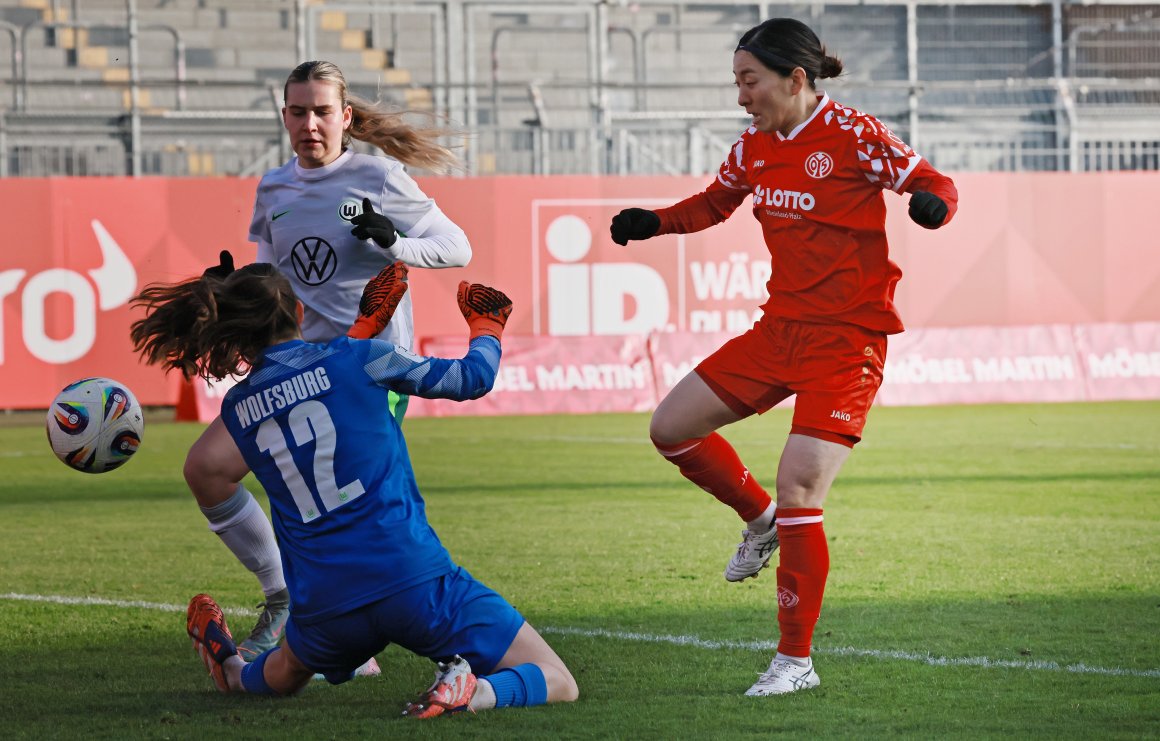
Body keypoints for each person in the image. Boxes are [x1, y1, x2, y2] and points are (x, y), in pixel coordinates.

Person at [609, 18, 958, 696]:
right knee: (670, 427)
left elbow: (936, 181)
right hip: (779, 331)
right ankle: (758, 518)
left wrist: (931, 205)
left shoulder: (856, 134)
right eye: (737, 81)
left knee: (801, 484)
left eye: (750, 81)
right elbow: (717, 202)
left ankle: (795, 660)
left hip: (847, 338)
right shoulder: (755, 145)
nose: (741, 96)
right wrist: (657, 221)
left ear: (794, 80)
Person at [129, 260, 579, 717]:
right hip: (413, 581)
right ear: (300, 313)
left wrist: (361, 330)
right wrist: (489, 324)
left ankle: (229, 665)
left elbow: (293, 395)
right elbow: (471, 379)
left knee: (278, 674)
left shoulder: (240, 408)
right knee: (558, 678)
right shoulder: (364, 358)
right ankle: (475, 690)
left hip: (326, 613)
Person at [184, 59, 473, 660]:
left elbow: (456, 247)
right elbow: (271, 278)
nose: (309, 123)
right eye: (297, 112)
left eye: (321, 111)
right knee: (207, 467)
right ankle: (285, 599)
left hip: (369, 369)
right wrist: (231, 286)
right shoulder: (274, 188)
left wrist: (394, 241)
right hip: (297, 367)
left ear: (345, 117)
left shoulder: (378, 174)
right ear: (284, 116)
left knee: (345, 508)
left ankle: (380, 637)